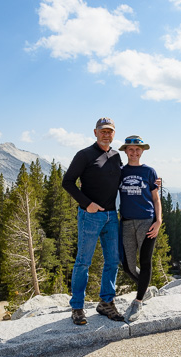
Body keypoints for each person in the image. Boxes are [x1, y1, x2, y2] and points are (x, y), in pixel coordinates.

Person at [62, 117, 124, 325]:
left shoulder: (116, 156)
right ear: (95, 132)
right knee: (83, 261)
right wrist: (87, 203)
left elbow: (122, 181)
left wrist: (151, 181)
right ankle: (77, 307)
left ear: (114, 134)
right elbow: (67, 182)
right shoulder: (85, 155)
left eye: (110, 131)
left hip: (111, 216)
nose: (107, 134)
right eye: (103, 131)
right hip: (90, 216)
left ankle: (106, 303)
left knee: (113, 260)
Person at [118, 135, 162, 322]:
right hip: (126, 221)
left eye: (138, 149)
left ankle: (138, 300)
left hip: (146, 221)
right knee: (127, 265)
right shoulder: (120, 171)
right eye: (131, 149)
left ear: (142, 151)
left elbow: (156, 198)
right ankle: (145, 286)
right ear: (126, 151)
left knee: (145, 262)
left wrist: (158, 220)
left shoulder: (150, 171)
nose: (134, 152)